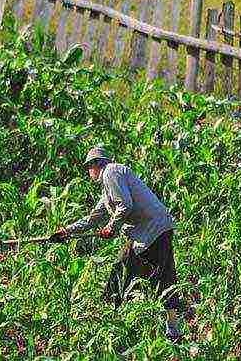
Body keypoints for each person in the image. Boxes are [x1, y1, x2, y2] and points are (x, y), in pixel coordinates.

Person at [56, 146, 182, 341]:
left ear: (95, 165)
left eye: (89, 168)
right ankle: (169, 330)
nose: (89, 173)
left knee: (125, 274)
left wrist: (111, 227)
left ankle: (112, 327)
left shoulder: (111, 171)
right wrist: (66, 231)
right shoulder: (108, 189)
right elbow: (92, 219)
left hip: (152, 231)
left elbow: (125, 205)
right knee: (157, 278)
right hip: (152, 231)